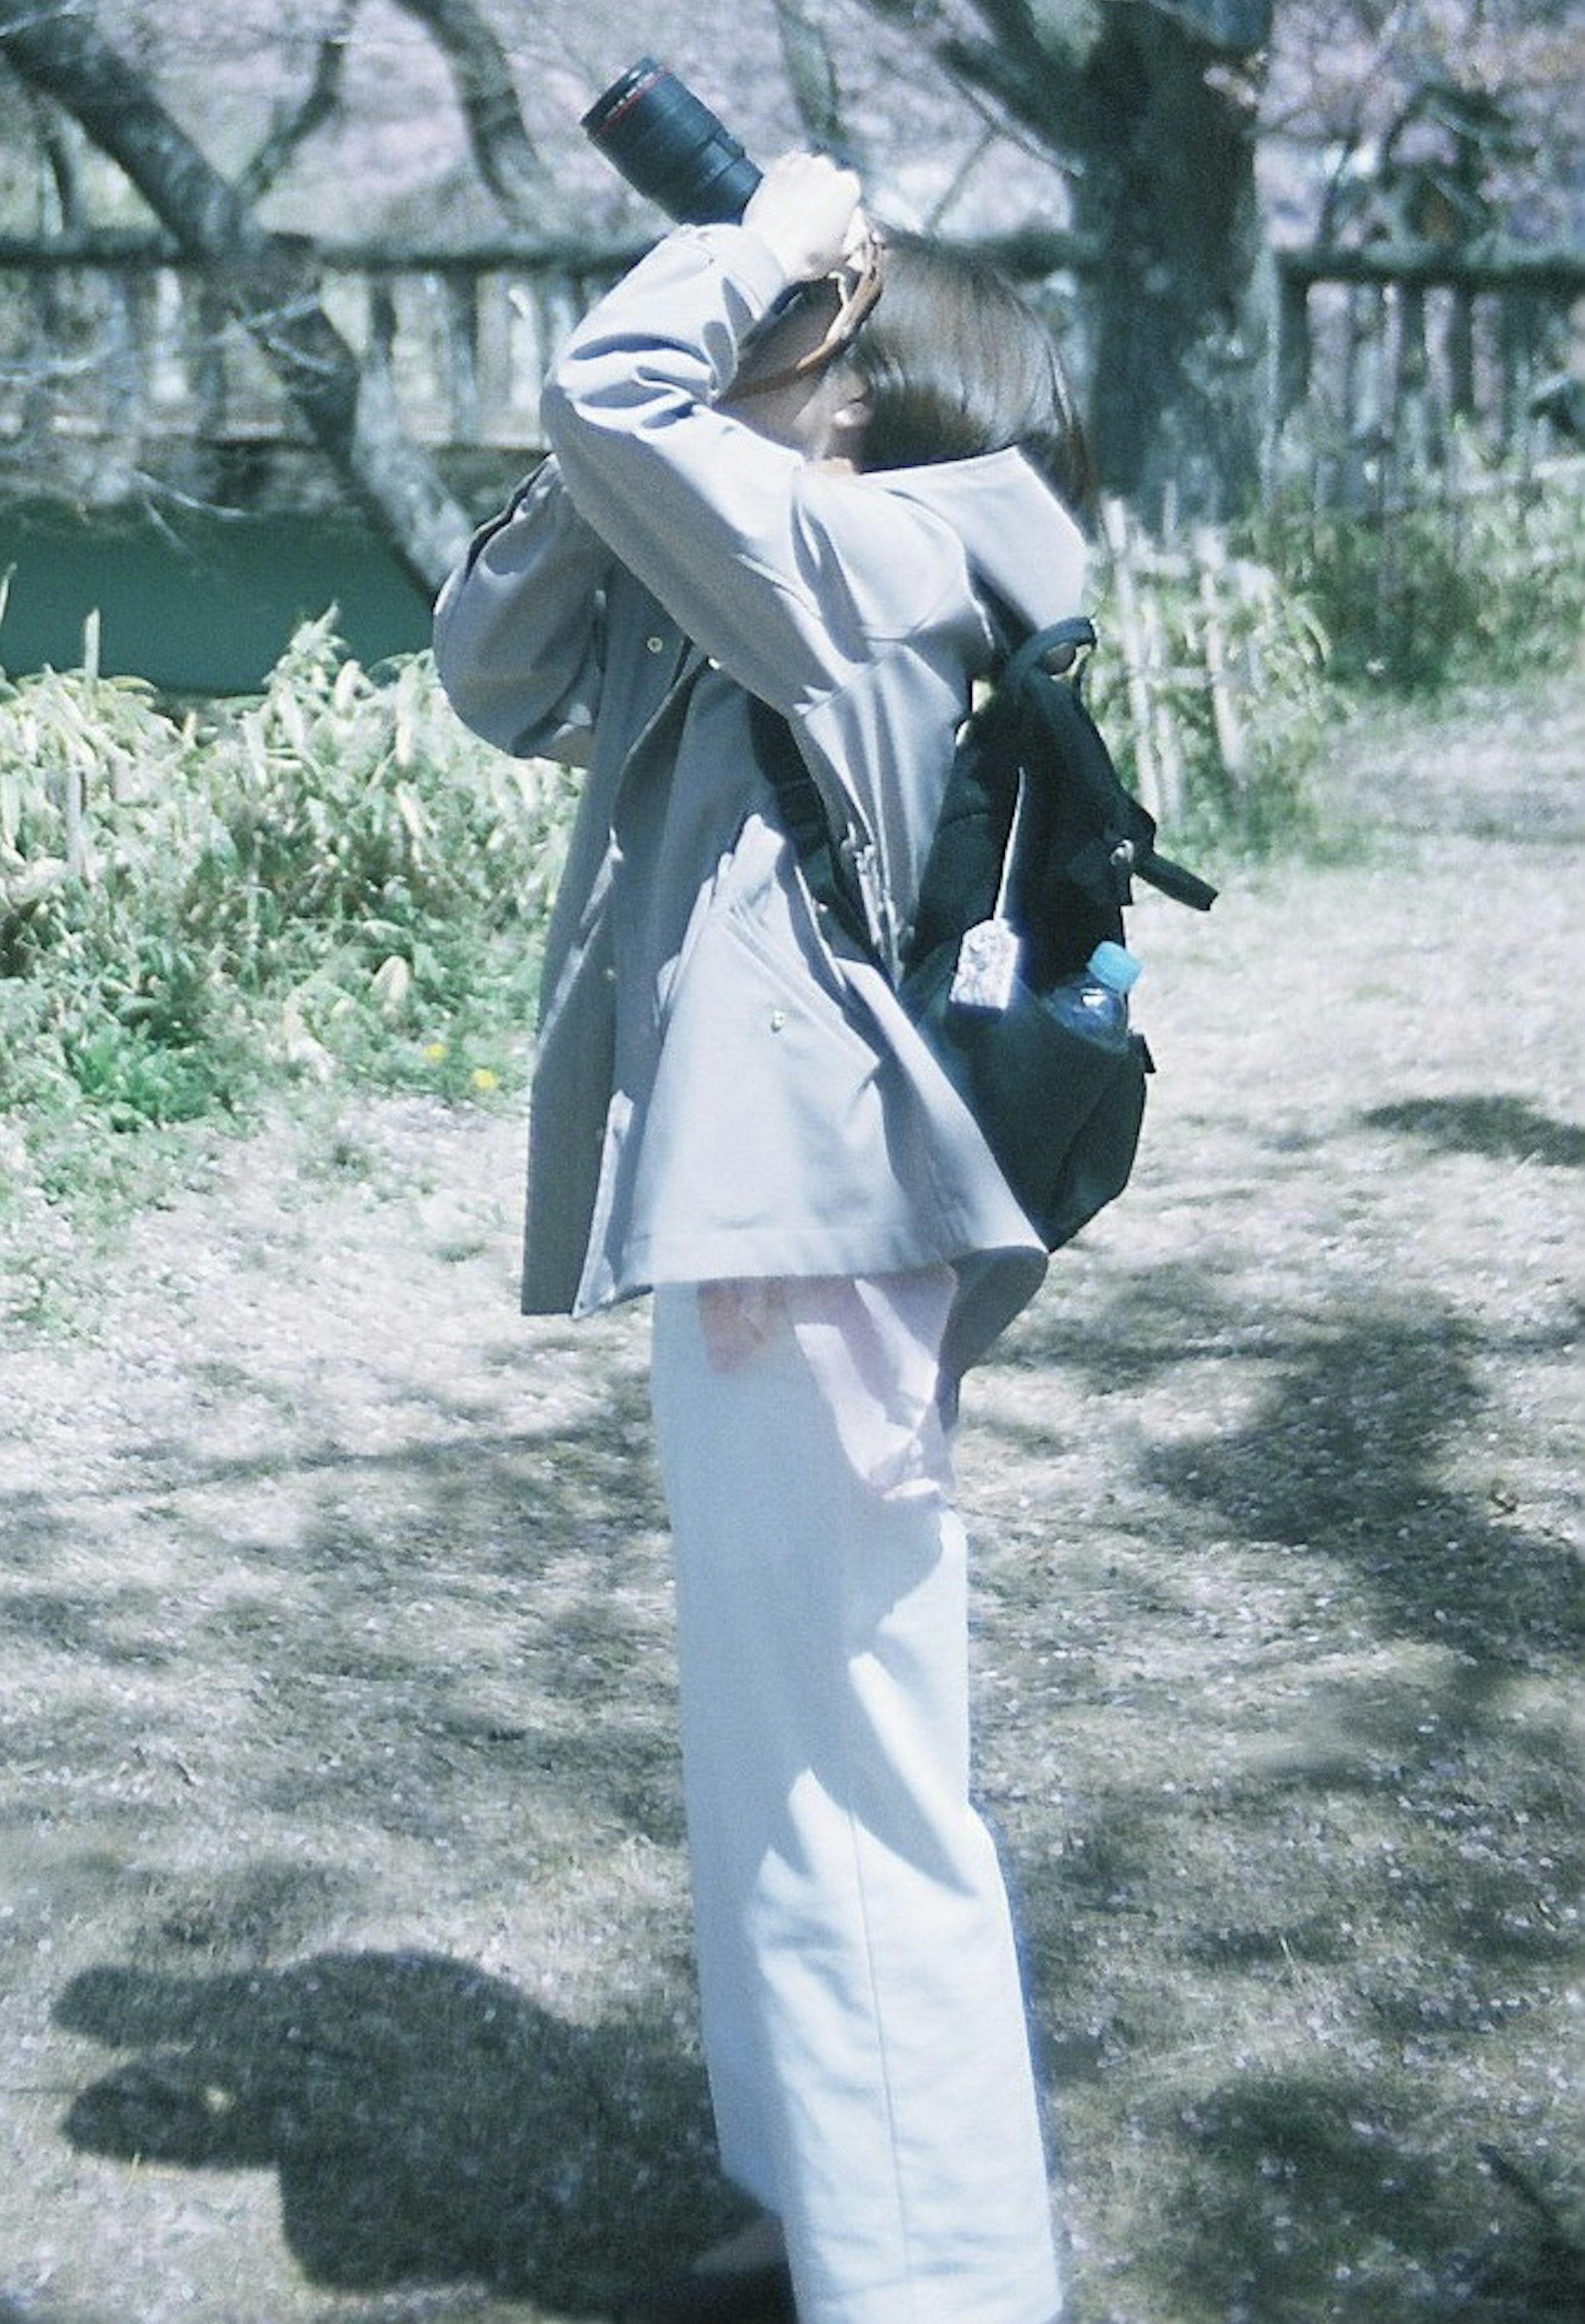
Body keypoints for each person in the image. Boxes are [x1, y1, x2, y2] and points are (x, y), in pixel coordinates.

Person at [431, 154, 1094, 2324]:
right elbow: (490, 663)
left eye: (808, 345)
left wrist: (742, 255)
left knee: (851, 1781)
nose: (765, 370)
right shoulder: (775, 577)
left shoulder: (897, 560)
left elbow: (611, 389)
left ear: (873, 393)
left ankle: (939, 2283)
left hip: (821, 1224)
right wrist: (641, 431)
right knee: (770, 1749)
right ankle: (816, 2192)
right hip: (764, 1213)